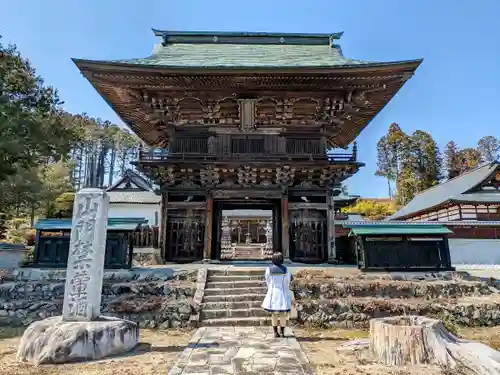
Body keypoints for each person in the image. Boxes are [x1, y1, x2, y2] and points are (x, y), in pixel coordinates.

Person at [261, 252, 292, 338]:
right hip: (283, 293)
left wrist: (270, 288)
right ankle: (282, 332)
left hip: (272, 293)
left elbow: (267, 280)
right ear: (282, 259)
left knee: (274, 314)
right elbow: (288, 281)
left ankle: (275, 332)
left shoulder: (268, 270)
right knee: (283, 314)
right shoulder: (286, 270)